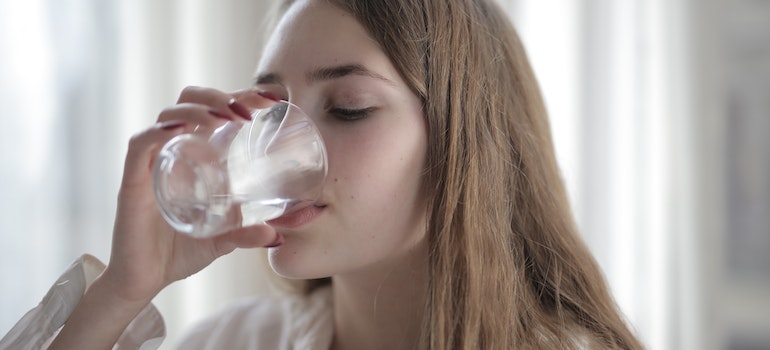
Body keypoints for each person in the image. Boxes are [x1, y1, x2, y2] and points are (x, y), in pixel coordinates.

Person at [1, 0, 644, 349]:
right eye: (270, 112)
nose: (279, 152)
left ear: (462, 144)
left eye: (348, 109)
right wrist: (121, 294)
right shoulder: (236, 342)